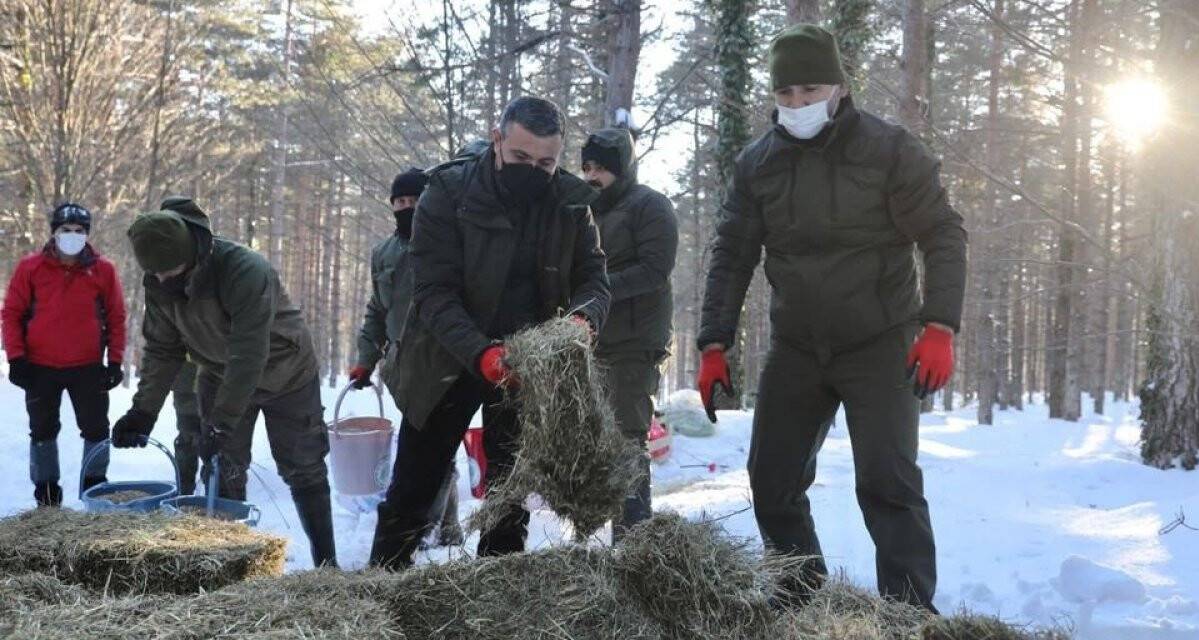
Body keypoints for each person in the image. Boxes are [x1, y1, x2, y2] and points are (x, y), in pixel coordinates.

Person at [696, 24, 967, 611]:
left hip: (879, 340)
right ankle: (800, 599)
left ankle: (907, 615)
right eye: (786, 93)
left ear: (840, 87)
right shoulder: (757, 164)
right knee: (771, 479)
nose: (798, 104)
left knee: (887, 485)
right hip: (797, 345)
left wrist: (939, 326)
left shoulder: (890, 151)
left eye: (811, 89)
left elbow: (942, 234)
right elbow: (732, 254)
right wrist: (714, 343)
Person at [369, 96, 610, 569]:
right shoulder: (448, 192)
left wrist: (583, 320)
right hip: (446, 359)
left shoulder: (569, 202)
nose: (533, 169)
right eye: (521, 157)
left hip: (527, 368)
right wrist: (480, 354)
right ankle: (381, 587)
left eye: (546, 162)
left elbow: (594, 278)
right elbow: (434, 293)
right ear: (497, 140)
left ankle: (499, 593)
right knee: (414, 490)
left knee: (509, 495)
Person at [111, 196, 336, 567]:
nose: (165, 281)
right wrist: (143, 412)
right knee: (223, 465)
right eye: (158, 275)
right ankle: (234, 564)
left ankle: (327, 564)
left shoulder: (244, 270)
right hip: (217, 372)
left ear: (193, 254)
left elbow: (249, 353)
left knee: (303, 465)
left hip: (287, 372)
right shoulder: (160, 281)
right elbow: (163, 350)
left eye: (172, 272)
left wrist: (222, 419)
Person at [350, 165, 463, 547]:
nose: (406, 207)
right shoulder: (383, 253)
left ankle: (430, 527)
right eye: (399, 201)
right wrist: (366, 358)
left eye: (414, 200)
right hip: (404, 367)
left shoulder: (449, 245)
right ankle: (443, 524)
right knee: (428, 449)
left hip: (447, 361)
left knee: (434, 445)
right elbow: (377, 309)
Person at [580, 128, 678, 541]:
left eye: (600, 167)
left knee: (626, 438)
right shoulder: (584, 211)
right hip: (593, 342)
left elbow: (655, 269)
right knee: (596, 440)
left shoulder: (650, 206)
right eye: (585, 167)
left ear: (621, 168)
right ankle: (602, 531)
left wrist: (596, 292)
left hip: (634, 342)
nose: (591, 175)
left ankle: (633, 543)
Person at [2, 203, 126, 507]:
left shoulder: (103, 270)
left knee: (96, 429)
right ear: (54, 233)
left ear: (87, 235)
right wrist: (15, 357)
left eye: (79, 231)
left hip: (88, 367)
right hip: (39, 367)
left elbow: (117, 316)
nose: (72, 236)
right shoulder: (31, 268)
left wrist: (115, 361)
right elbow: (12, 313)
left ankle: (94, 488)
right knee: (42, 429)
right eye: (65, 230)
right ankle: (46, 493)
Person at [171, 359, 204, 495]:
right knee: (187, 437)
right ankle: (184, 494)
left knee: (218, 439)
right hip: (186, 380)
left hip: (220, 379)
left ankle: (216, 492)